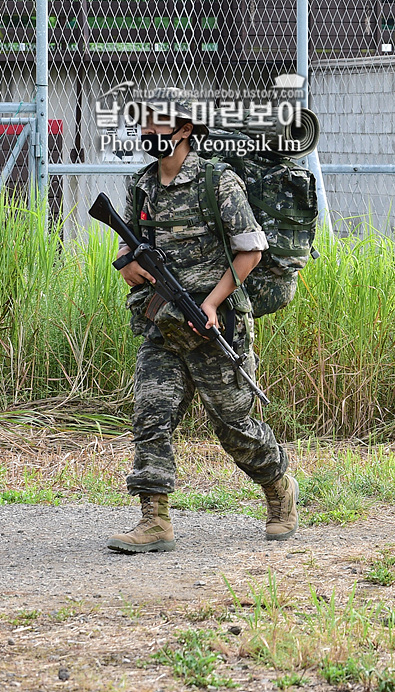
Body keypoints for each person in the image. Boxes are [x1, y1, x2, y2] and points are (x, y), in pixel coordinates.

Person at [107, 87, 297, 553]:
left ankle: (279, 488)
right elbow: (126, 246)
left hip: (215, 323)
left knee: (235, 427)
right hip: (163, 324)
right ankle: (155, 520)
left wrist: (212, 302)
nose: (148, 131)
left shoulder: (218, 181)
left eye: (158, 123)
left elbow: (250, 250)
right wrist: (128, 265)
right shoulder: (141, 185)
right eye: (144, 122)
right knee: (151, 415)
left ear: (185, 130)